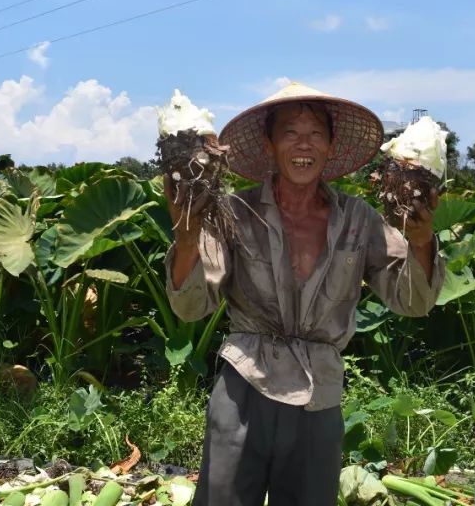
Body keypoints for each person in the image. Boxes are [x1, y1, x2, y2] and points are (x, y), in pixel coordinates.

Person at [164, 82, 445, 506]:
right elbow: (190, 306)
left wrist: (421, 242)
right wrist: (187, 235)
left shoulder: (359, 220)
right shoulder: (235, 213)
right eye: (290, 132)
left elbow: (413, 301)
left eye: (315, 133)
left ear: (331, 147)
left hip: (319, 394)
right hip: (245, 386)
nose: (303, 145)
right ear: (270, 144)